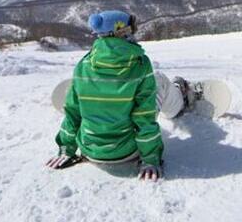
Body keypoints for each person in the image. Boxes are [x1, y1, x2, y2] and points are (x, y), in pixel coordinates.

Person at [46, 10, 197, 181]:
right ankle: (182, 98)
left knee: (79, 101)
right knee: (159, 79)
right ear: (123, 31)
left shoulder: (83, 65)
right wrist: (150, 158)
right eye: (132, 27)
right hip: (128, 152)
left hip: (91, 151)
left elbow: (73, 113)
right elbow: (144, 118)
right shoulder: (141, 64)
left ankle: (94, 100)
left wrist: (66, 148)